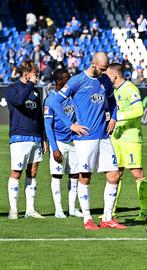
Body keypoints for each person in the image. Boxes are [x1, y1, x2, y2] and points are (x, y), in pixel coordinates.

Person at [48, 52, 126, 230]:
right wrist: (70, 125)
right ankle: (87, 218)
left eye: (106, 69)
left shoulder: (105, 80)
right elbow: (54, 102)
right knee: (85, 176)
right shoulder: (77, 81)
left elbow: (112, 102)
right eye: (102, 69)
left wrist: (113, 118)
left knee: (114, 174)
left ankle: (107, 218)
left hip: (104, 136)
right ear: (93, 64)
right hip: (85, 138)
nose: (104, 72)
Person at [105, 63, 147, 221]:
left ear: (114, 76)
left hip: (130, 139)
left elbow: (139, 110)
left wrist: (118, 117)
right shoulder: (113, 91)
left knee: (137, 173)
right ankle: (111, 212)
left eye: (107, 74)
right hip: (116, 139)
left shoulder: (130, 89)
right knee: (115, 174)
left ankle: (143, 211)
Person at [6, 60, 45, 219]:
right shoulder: (12, 89)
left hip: (35, 136)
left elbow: (39, 115)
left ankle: (30, 209)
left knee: (33, 172)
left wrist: (43, 137)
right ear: (26, 74)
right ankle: (13, 210)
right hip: (19, 136)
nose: (38, 77)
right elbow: (19, 101)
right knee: (16, 172)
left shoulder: (36, 91)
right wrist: (29, 84)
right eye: (36, 74)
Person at [43, 69, 83, 218]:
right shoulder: (50, 100)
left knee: (74, 175)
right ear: (59, 82)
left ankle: (72, 208)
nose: (70, 81)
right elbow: (48, 126)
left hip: (73, 141)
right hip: (59, 142)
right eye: (68, 79)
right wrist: (54, 148)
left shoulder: (72, 97)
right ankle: (58, 209)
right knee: (57, 176)